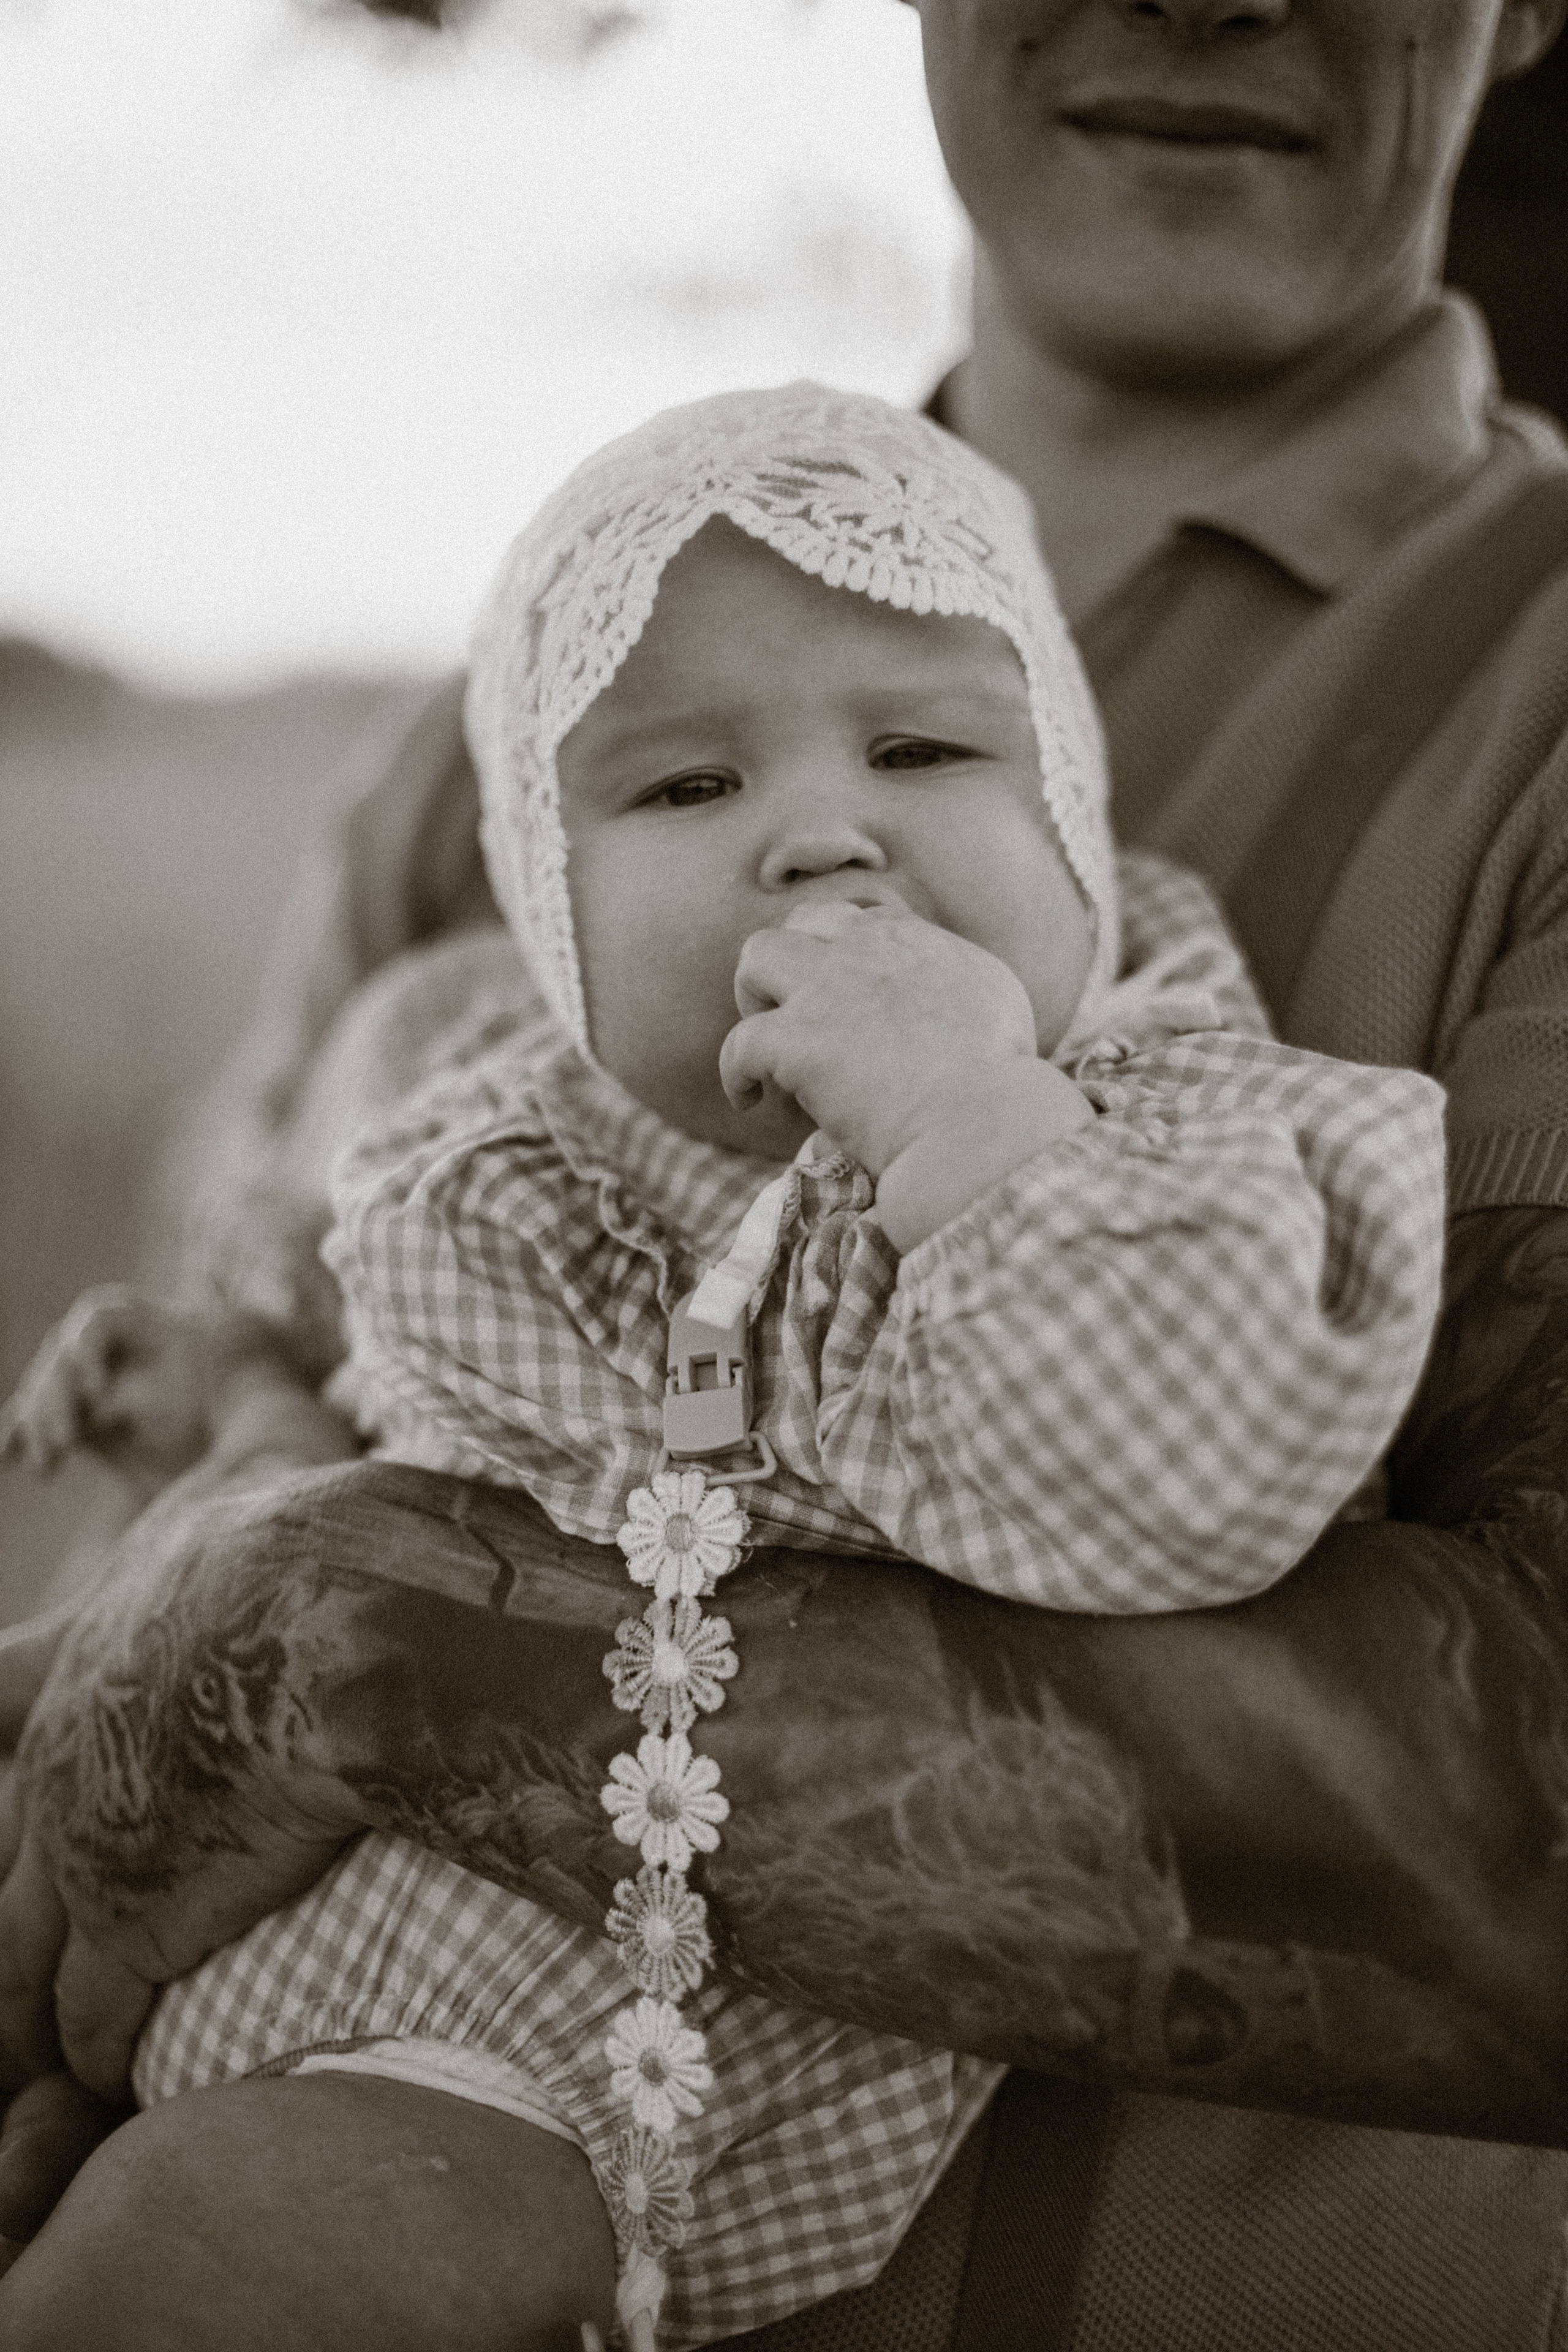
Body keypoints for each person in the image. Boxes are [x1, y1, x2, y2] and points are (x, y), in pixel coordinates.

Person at [3, 2, 1568, 2345]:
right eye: (685, 799)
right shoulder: (515, 725)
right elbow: (215, 1449)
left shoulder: (1501, 721)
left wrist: (364, 1632)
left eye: (928, 748)